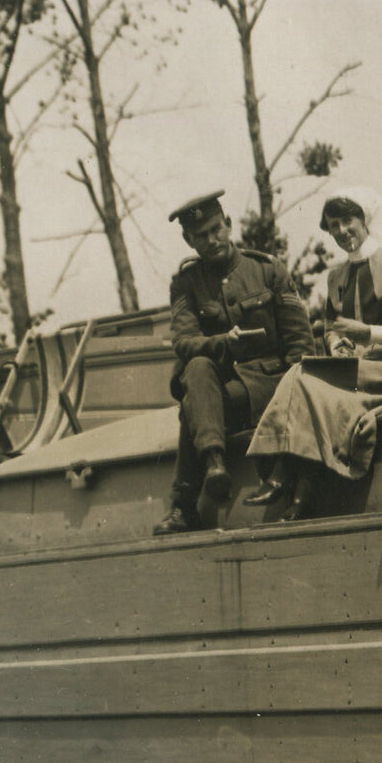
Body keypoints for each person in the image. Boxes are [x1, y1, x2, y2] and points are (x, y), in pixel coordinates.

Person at [243, 194, 382, 520]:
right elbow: (331, 326)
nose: (342, 231)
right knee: (303, 377)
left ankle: (284, 475)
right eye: (333, 226)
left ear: (364, 220)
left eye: (347, 222)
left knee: (305, 379)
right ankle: (299, 492)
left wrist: (367, 333)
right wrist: (336, 343)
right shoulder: (336, 277)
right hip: (353, 368)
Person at [153, 189, 313, 535]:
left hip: (270, 386)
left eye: (216, 230)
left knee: (194, 407)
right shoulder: (186, 283)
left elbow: (300, 344)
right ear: (188, 240)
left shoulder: (266, 270)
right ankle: (214, 463)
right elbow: (183, 341)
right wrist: (222, 343)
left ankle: (183, 504)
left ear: (228, 224)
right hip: (221, 386)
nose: (211, 241)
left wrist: (295, 398)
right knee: (195, 368)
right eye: (200, 236)